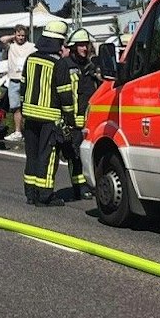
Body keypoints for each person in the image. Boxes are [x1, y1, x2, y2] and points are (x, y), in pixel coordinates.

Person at [20, 19, 78, 205]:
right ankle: (45, 196)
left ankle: (31, 194)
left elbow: (23, 87)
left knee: (32, 156)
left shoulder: (30, 59)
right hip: (49, 119)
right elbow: (65, 95)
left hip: (29, 116)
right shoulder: (59, 64)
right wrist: (70, 119)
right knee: (47, 156)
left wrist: (23, 111)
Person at [59, 28, 99, 200]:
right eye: (81, 45)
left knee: (88, 153)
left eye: (86, 45)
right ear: (73, 47)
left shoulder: (91, 66)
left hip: (90, 118)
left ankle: (88, 183)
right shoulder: (65, 65)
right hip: (73, 118)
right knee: (75, 154)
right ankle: (80, 186)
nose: (84, 48)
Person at [1, 25, 34, 141]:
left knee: (27, 107)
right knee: (15, 107)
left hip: (26, 80)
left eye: (23, 35)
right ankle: (18, 131)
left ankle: (29, 132)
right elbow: (2, 40)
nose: (21, 38)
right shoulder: (11, 46)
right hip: (14, 80)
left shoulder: (31, 46)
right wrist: (13, 37)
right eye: (19, 35)